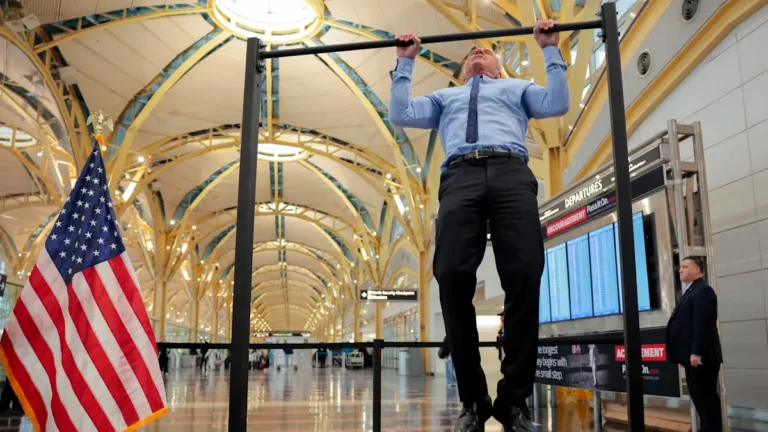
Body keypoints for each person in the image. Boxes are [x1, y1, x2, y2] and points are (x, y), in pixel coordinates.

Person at [389, 19, 568, 432]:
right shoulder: (444, 97)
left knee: (524, 273)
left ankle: (513, 401)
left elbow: (557, 103)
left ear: (499, 67)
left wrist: (549, 49)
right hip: (461, 175)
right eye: (470, 53)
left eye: (485, 51)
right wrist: (404, 63)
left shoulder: (517, 88)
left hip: (510, 171)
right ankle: (474, 398)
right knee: (450, 274)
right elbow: (400, 112)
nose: (476, 53)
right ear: (463, 69)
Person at [667, 256, 723, 432]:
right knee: (701, 403)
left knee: (707, 402)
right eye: (680, 267)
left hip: (702, 358)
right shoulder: (692, 291)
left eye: (684, 266)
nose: (680, 270)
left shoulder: (703, 291)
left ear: (697, 270)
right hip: (692, 358)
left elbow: (703, 324)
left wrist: (696, 353)